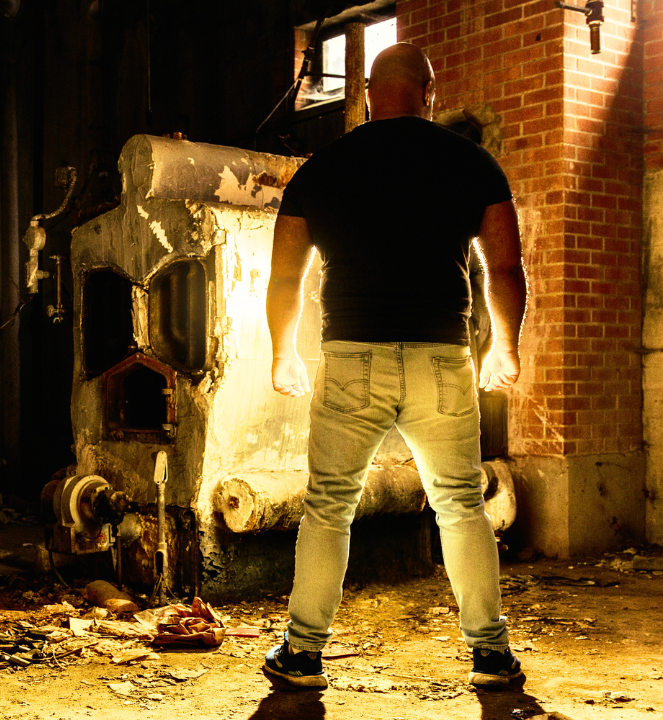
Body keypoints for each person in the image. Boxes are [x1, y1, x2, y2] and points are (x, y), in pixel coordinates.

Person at [261, 43, 528, 690]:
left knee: (329, 507)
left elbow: (286, 275)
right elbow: (505, 266)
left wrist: (283, 351)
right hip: (441, 358)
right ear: (429, 94)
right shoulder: (471, 162)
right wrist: (506, 346)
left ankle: (303, 654)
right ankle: (490, 655)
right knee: (460, 505)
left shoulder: (323, 167)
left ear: (367, 94)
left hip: (352, 354)